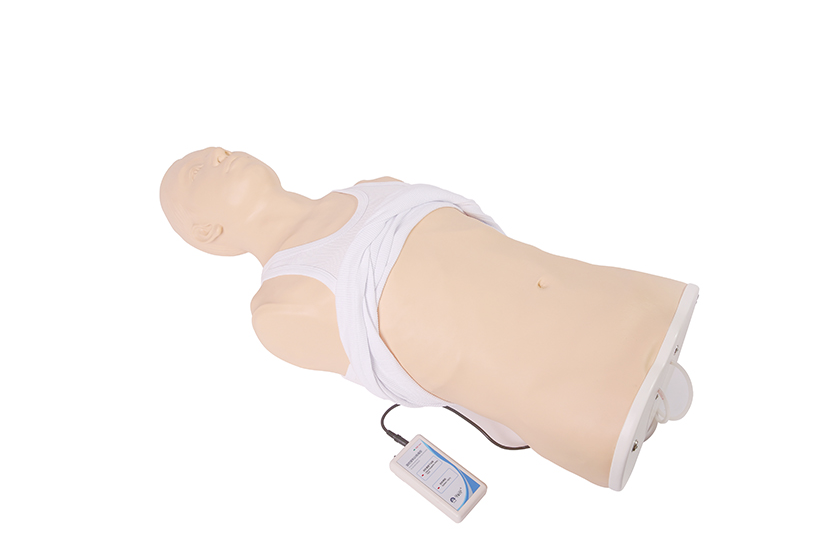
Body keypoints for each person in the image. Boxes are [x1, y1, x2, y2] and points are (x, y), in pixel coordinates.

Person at [160, 147, 698, 489]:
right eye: (197, 172)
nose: (219, 154)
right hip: (565, 398)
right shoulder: (281, 304)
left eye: (217, 149)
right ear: (206, 233)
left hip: (607, 302)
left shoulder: (374, 185)